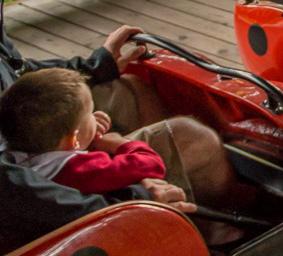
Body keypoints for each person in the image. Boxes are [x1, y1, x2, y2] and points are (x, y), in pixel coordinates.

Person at [0, 0, 237, 243]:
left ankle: (180, 207)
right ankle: (196, 240)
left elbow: (14, 71)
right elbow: (7, 192)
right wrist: (125, 201)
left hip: (19, 143)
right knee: (195, 139)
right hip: (22, 202)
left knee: (128, 90)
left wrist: (96, 67)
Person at [0, 68, 166, 194]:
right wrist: (121, 144)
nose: (95, 116)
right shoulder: (83, 169)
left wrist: (85, 130)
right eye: (90, 112)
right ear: (73, 140)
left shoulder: (15, 161)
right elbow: (153, 165)